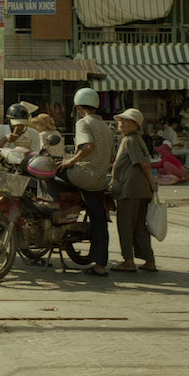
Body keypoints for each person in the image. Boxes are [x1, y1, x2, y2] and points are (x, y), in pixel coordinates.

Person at [57, 87, 114, 278]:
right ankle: (100, 266)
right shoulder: (107, 127)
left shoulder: (83, 123)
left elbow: (88, 146)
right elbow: (111, 157)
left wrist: (70, 161)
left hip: (83, 175)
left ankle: (54, 211)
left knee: (51, 170)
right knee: (99, 221)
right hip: (99, 180)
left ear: (78, 107)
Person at [110, 109, 158, 273]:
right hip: (139, 190)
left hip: (130, 190)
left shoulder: (130, 140)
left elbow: (143, 164)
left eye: (127, 121)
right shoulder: (133, 139)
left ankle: (128, 261)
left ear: (136, 125)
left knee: (125, 225)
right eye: (121, 120)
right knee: (139, 226)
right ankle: (149, 261)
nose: (122, 123)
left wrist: (152, 183)